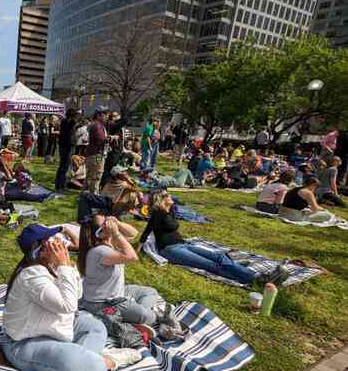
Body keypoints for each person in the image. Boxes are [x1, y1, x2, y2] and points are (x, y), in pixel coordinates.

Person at [1, 224, 142, 371]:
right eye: (53, 240)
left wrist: (66, 267)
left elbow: (77, 294)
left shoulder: (51, 266)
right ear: (42, 249)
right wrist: (64, 266)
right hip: (24, 343)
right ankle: (108, 361)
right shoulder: (32, 275)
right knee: (91, 365)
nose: (60, 241)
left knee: (96, 327)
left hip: (54, 327)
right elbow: (68, 305)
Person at [140, 191, 289, 285]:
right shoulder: (159, 213)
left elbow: (158, 228)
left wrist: (170, 209)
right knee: (210, 265)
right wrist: (139, 248)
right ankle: (254, 278)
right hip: (170, 250)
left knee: (218, 256)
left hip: (183, 244)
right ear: (161, 200)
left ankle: (239, 269)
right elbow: (157, 229)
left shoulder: (169, 211)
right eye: (168, 196)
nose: (171, 197)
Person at [78, 214, 165, 328]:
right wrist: (116, 233)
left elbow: (134, 233)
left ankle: (133, 312)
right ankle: (134, 315)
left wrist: (118, 223)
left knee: (150, 292)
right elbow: (132, 257)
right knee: (150, 317)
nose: (109, 223)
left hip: (117, 292)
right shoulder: (100, 251)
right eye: (105, 223)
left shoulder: (108, 242)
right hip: (103, 303)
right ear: (99, 232)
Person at [84, 107, 108, 193]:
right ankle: (92, 196)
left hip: (95, 154)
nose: (106, 116)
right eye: (104, 115)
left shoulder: (97, 125)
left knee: (90, 176)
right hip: (97, 154)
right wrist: (111, 138)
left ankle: (86, 195)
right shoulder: (97, 126)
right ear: (98, 115)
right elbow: (100, 140)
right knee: (96, 175)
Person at [55, 108, 76, 192]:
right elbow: (70, 133)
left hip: (64, 145)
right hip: (67, 146)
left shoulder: (65, 121)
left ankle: (60, 185)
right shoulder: (69, 122)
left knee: (63, 166)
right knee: (64, 166)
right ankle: (60, 186)